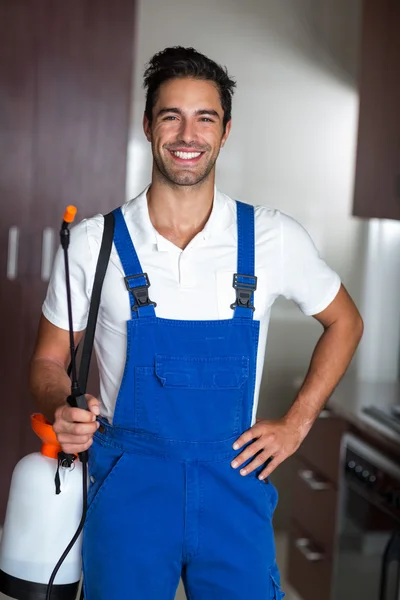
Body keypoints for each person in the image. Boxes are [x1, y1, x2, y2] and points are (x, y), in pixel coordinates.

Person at [30, 46, 363, 600]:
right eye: (171, 116)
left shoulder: (272, 238)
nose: (189, 134)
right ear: (147, 126)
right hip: (127, 489)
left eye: (205, 117)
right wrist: (59, 406)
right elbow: (47, 360)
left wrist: (298, 422)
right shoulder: (95, 242)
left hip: (233, 487)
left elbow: (344, 322)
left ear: (225, 131)